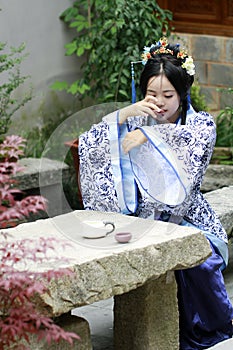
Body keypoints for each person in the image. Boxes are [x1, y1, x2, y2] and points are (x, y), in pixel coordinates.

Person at [78, 37, 233, 349]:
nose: (159, 101)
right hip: (140, 219)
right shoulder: (132, 118)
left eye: (168, 94)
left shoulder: (200, 124)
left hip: (189, 218)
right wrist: (122, 116)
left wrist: (149, 135)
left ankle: (211, 329)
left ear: (182, 93)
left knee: (201, 262)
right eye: (151, 93)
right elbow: (90, 143)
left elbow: (190, 152)